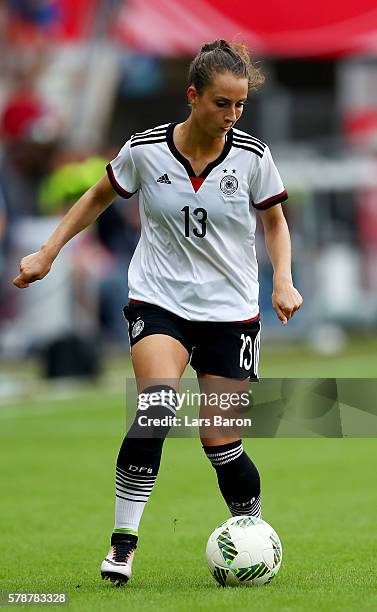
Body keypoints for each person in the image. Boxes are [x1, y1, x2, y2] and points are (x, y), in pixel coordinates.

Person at [13, 39, 303, 586]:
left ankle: (250, 532)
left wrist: (283, 281)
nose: (232, 116)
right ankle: (123, 545)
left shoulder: (252, 157)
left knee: (221, 440)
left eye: (240, 106)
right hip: (160, 299)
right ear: (193, 96)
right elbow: (98, 195)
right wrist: (49, 252)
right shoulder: (145, 150)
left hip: (232, 311)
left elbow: (275, 222)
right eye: (222, 104)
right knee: (157, 409)